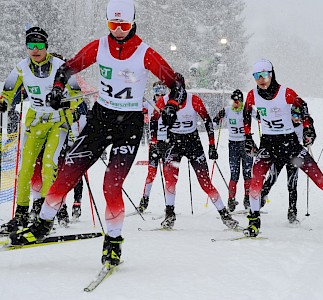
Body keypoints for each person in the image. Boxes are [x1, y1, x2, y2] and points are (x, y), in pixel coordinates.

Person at [9, 0, 185, 269]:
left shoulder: (145, 53)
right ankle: (43, 223)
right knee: (68, 170)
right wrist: (57, 89)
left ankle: (113, 242)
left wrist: (172, 106)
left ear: (133, 22)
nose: (118, 30)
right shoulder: (99, 46)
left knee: (110, 186)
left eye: (123, 25)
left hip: (130, 124)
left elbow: (177, 84)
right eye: (112, 25)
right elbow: (66, 68)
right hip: (101, 119)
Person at [242, 59, 323, 237]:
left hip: (291, 147)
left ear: (272, 74)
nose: (261, 79)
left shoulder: (286, 93)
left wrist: (309, 129)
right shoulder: (252, 95)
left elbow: (303, 109)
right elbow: (245, 114)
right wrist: (248, 138)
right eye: (257, 76)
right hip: (268, 146)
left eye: (264, 75)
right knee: (255, 181)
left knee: (320, 180)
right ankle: (254, 220)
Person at [0, 26, 82, 234]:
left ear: (46, 46)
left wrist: (63, 104)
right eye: (30, 45)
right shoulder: (21, 67)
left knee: (49, 164)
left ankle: (47, 215)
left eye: (39, 45)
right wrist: (4, 102)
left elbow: (78, 96)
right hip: (35, 121)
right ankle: (21, 214)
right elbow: (8, 92)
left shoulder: (61, 67)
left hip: (57, 122)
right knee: (25, 168)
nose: (35, 50)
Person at [150, 75, 239, 230]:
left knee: (205, 182)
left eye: (179, 88)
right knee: (170, 180)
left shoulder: (194, 100)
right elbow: (153, 121)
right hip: (173, 143)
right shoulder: (163, 101)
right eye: (173, 88)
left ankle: (225, 215)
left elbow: (207, 121)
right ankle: (169, 214)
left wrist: (212, 145)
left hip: (192, 143)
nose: (176, 91)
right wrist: (155, 143)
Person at [260, 106, 308, 224]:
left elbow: (311, 135)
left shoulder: (303, 125)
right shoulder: (284, 123)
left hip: (294, 158)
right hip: (279, 156)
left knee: (292, 185)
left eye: (299, 116)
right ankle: (259, 201)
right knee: (271, 179)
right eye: (295, 115)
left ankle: (292, 212)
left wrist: (310, 139)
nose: (297, 119)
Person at [213, 89, 253, 212]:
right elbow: (214, 122)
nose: (236, 103)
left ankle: (247, 198)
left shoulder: (247, 110)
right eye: (234, 101)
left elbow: (262, 118)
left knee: (247, 173)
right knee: (234, 174)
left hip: (246, 144)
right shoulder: (227, 110)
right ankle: (231, 199)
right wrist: (217, 117)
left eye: (238, 101)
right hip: (233, 145)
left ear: (241, 101)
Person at [139, 81, 168, 213]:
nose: (160, 97)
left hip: (168, 143)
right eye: (158, 94)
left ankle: (169, 204)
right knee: (151, 173)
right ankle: (145, 199)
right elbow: (136, 108)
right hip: (154, 143)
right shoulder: (149, 105)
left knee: (169, 174)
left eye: (163, 94)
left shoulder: (170, 105)